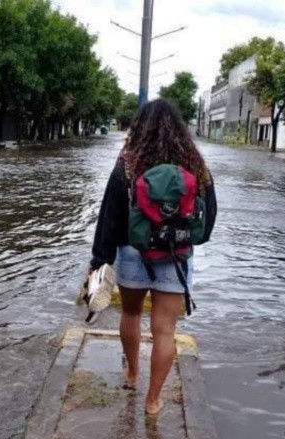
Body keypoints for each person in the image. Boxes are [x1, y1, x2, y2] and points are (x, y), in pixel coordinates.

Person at [90, 99, 217, 415]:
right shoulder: (196, 164)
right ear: (180, 129)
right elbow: (209, 217)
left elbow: (110, 215)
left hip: (134, 252)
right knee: (165, 330)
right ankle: (153, 400)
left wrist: (100, 259)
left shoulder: (128, 162)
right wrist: (190, 241)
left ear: (140, 127)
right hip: (176, 254)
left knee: (131, 315)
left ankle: (132, 375)